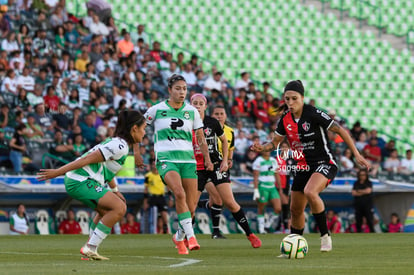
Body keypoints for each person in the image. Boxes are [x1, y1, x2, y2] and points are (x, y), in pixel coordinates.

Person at [251, 80, 370, 252]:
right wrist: (263, 147)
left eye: (294, 98)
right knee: (295, 209)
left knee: (310, 191)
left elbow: (341, 130)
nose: (290, 103)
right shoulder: (285, 120)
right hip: (303, 167)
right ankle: (294, 246)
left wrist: (357, 154)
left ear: (302, 98)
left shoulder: (314, 113)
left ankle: (325, 236)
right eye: (287, 99)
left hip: (324, 163)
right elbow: (275, 143)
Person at [37, 110, 147, 260]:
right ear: (134, 128)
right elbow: (86, 159)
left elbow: (107, 170)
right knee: (120, 208)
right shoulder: (119, 146)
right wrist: (57, 172)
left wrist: (115, 190)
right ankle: (90, 247)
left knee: (105, 211)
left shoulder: (119, 144)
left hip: (81, 180)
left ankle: (89, 252)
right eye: (143, 128)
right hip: (80, 180)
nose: (145, 132)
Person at [135, 74, 213, 255]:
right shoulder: (156, 109)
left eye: (184, 89)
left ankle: (178, 237)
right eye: (178, 88)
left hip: (188, 160)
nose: (181, 92)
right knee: (178, 193)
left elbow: (201, 138)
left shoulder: (192, 112)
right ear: (170, 90)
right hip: (166, 160)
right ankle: (191, 237)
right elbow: (137, 128)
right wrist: (137, 152)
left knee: (191, 207)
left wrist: (207, 159)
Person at [191, 94, 261, 247]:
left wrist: (224, 161)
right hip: (197, 167)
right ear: (190, 105)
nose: (197, 105)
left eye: (200, 103)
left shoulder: (212, 122)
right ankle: (186, 239)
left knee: (229, 201)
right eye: (194, 103)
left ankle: (250, 235)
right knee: (191, 206)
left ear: (205, 106)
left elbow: (223, 141)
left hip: (216, 164)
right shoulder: (186, 123)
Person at [252, 150, 282, 234]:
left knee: (278, 208)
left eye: (269, 149)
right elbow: (255, 176)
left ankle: (267, 224)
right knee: (261, 208)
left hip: (272, 186)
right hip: (262, 186)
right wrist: (255, 189)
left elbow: (277, 174)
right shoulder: (258, 161)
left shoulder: (273, 160)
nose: (268, 151)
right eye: (266, 149)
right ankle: (261, 229)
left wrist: (280, 188)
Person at [143, 161, 172, 234]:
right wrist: (145, 201)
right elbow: (146, 189)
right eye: (153, 164)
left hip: (161, 197)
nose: (154, 166)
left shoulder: (162, 174)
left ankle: (165, 229)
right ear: (151, 166)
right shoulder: (148, 175)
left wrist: (170, 198)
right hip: (152, 197)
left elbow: (168, 187)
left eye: (156, 164)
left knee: (164, 215)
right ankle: (154, 231)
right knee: (153, 216)